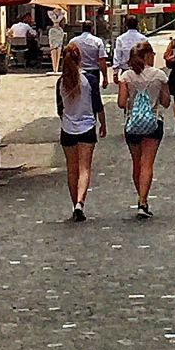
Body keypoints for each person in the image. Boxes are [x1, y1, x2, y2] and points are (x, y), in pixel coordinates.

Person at [117, 40, 170, 218]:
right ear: (148, 55)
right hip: (153, 122)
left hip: (132, 124)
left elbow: (121, 103)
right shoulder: (159, 75)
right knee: (148, 163)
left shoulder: (126, 76)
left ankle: (140, 195)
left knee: (137, 163)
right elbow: (166, 102)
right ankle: (143, 201)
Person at [56, 43, 106, 221]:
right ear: (81, 58)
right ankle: (80, 202)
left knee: (71, 169)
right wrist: (103, 123)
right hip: (87, 127)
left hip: (67, 128)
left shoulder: (61, 81)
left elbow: (59, 109)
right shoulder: (90, 80)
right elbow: (97, 104)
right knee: (84, 168)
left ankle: (73, 204)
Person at [70, 21, 108, 134]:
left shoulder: (73, 41)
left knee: (78, 95)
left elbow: (69, 59)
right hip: (93, 73)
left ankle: (78, 119)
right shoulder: (97, 41)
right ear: (92, 29)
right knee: (94, 97)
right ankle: (95, 122)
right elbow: (102, 60)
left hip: (77, 71)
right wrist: (105, 77)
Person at [112, 15, 146, 83]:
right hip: (141, 71)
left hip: (126, 71)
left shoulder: (120, 39)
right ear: (137, 24)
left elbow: (117, 56)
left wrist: (115, 73)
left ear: (126, 25)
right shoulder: (143, 39)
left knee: (125, 92)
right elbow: (147, 56)